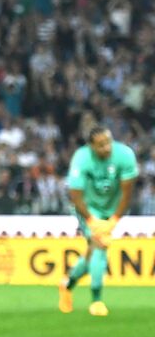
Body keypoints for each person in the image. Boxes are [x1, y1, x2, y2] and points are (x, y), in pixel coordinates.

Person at [59, 127, 137, 316]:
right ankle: (96, 300)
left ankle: (67, 284)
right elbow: (76, 196)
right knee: (99, 245)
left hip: (111, 209)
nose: (106, 147)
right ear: (91, 146)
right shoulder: (81, 158)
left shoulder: (125, 155)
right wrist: (92, 221)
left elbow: (127, 194)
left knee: (91, 254)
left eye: (108, 142)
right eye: (101, 145)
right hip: (88, 208)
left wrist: (114, 220)